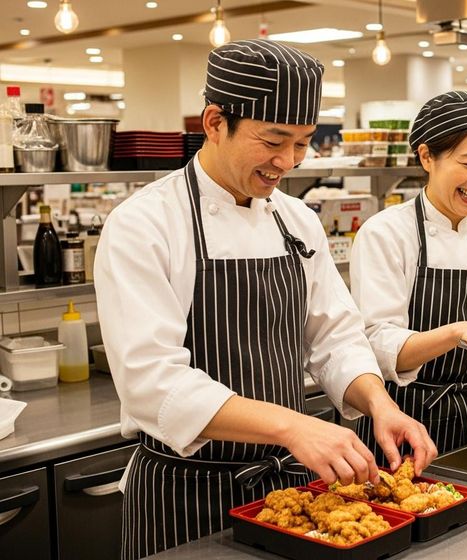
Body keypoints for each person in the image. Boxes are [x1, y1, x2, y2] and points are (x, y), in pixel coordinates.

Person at [95, 39, 436, 559]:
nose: (288, 162)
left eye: (302, 143)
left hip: (287, 490)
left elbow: (335, 337)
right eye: (273, 140)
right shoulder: (143, 224)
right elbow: (151, 380)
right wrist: (293, 426)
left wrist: (380, 404)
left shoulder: (295, 220)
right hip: (184, 492)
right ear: (215, 123)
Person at [350, 91, 467, 464]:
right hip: (402, 426)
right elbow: (380, 345)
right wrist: (456, 333)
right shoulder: (385, 232)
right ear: (426, 157)